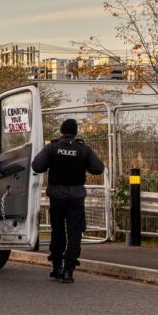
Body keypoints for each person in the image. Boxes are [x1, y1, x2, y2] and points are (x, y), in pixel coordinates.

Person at [31, 118, 105, 284]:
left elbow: (36, 166)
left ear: (61, 131)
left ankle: (57, 267)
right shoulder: (83, 149)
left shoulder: (52, 147)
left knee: (57, 232)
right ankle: (69, 270)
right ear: (76, 131)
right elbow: (98, 168)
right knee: (75, 233)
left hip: (57, 196)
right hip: (76, 197)